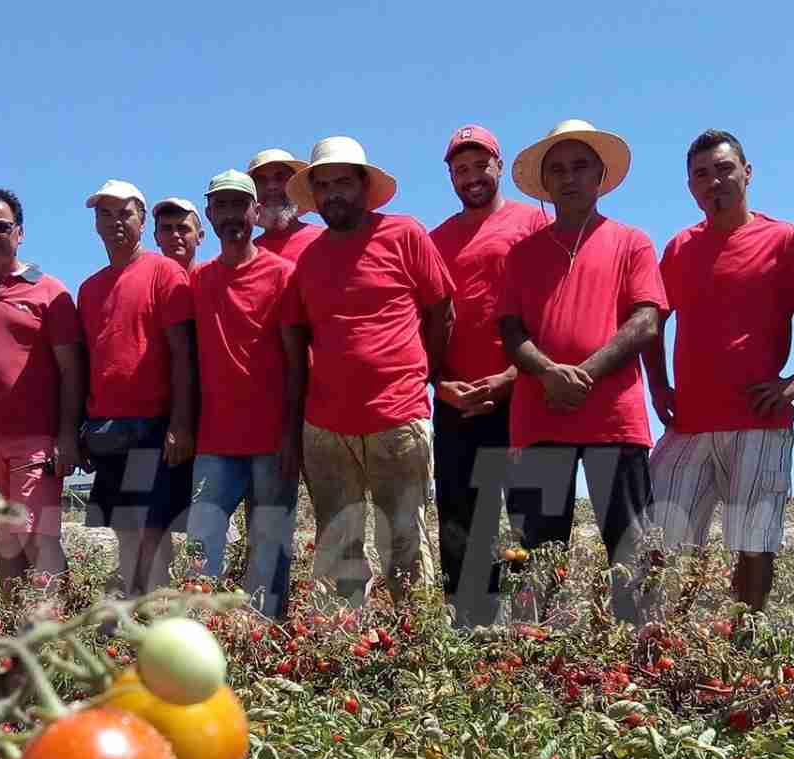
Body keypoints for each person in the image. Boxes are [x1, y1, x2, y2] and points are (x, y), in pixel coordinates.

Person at [645, 130, 794, 611]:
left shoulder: (782, 239)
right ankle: (667, 643)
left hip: (760, 421)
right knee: (665, 540)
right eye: (701, 174)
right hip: (688, 424)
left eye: (723, 169)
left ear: (747, 173)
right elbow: (651, 321)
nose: (714, 181)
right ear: (690, 186)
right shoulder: (679, 248)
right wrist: (658, 385)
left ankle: (747, 639)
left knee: (754, 542)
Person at [498, 120, 665, 623]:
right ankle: (532, 655)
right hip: (539, 417)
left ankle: (637, 649)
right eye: (558, 170)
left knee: (631, 543)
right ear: (545, 184)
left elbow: (646, 320)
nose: (569, 178)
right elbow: (510, 330)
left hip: (614, 418)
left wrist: (581, 374)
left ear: (600, 175)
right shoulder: (522, 254)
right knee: (536, 549)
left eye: (580, 167)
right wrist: (549, 374)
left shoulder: (631, 241)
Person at [285, 136, 454, 606]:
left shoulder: (405, 234)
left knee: (406, 545)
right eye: (323, 185)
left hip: (397, 417)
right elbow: (298, 337)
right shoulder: (310, 258)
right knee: (339, 546)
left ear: (364, 186)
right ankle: (346, 654)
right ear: (314, 196)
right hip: (326, 426)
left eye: (343, 181)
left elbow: (442, 311)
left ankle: (414, 654)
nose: (333, 193)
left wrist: (421, 373)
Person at [428, 124, 548, 626]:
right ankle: (469, 627)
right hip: (456, 399)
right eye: (461, 169)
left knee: (530, 517)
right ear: (450, 176)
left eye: (481, 165)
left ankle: (533, 626)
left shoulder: (533, 223)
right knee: (460, 518)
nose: (472, 176)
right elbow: (428, 320)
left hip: (521, 395)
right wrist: (441, 382)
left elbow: (549, 308)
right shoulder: (434, 240)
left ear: (499, 166)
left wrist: (510, 377)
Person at [0, 187, 84, 593]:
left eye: (1, 226)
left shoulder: (50, 291)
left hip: (36, 439)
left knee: (38, 539)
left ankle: (55, 633)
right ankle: (14, 639)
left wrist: (67, 434)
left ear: (19, 233)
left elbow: (71, 370)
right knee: (5, 542)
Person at [189, 170, 303, 620]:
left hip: (272, 440)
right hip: (215, 441)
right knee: (201, 554)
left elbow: (298, 363)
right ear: (210, 215)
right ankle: (202, 639)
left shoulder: (283, 275)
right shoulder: (197, 281)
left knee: (270, 551)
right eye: (223, 206)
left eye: (241, 205)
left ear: (256, 212)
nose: (233, 215)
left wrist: (291, 435)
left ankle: (264, 642)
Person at [76, 179, 197, 599]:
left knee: (151, 532)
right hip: (106, 428)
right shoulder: (89, 289)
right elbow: (87, 362)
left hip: (153, 427)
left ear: (143, 220)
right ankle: (134, 619)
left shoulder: (165, 272)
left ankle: (145, 617)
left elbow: (183, 353)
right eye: (104, 215)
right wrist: (82, 430)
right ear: (95, 224)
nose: (115, 223)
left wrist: (181, 423)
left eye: (124, 213)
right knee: (125, 532)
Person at [248, 149, 324, 263]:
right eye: (261, 180)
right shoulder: (248, 256)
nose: (271, 186)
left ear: (295, 187)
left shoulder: (324, 241)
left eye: (280, 178)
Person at [152, 197, 205, 272]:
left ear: (200, 236)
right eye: (167, 229)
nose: (175, 234)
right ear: (156, 238)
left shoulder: (213, 281)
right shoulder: (147, 282)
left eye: (182, 228)